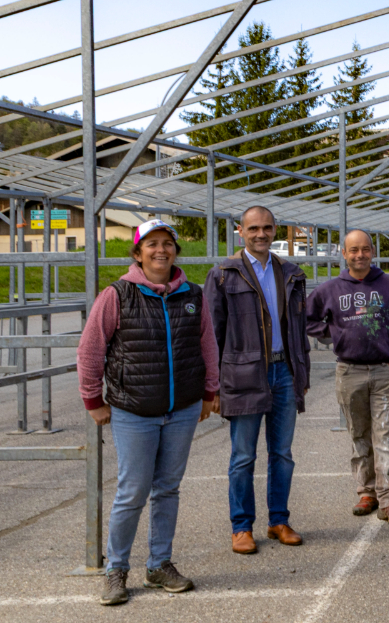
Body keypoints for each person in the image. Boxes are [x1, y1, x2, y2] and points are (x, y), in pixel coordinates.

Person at [78, 219, 220, 605]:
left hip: (183, 409)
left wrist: (210, 391)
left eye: (168, 244)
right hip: (133, 411)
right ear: (137, 253)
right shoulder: (117, 295)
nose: (161, 250)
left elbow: (207, 344)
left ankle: (159, 564)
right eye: (152, 244)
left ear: (176, 251)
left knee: (168, 489)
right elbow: (91, 350)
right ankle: (116, 570)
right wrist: (93, 400)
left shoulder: (193, 293)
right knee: (132, 491)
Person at [206, 206, 310, 555]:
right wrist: (214, 385)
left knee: (282, 453)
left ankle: (278, 520)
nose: (260, 234)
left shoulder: (291, 273)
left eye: (266, 228)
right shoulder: (223, 275)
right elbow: (211, 335)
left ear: (275, 229)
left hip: (284, 371)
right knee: (243, 455)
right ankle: (241, 526)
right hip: (244, 373)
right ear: (241, 231)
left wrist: (302, 373)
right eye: (253, 229)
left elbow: (298, 329)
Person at [307, 230, 389, 525]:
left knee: (387, 435)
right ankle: (367, 491)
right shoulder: (331, 289)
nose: (360, 255)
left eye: (365, 249)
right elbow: (309, 318)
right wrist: (333, 336)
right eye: (354, 250)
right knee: (358, 434)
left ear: (372, 251)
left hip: (384, 370)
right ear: (344, 253)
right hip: (349, 370)